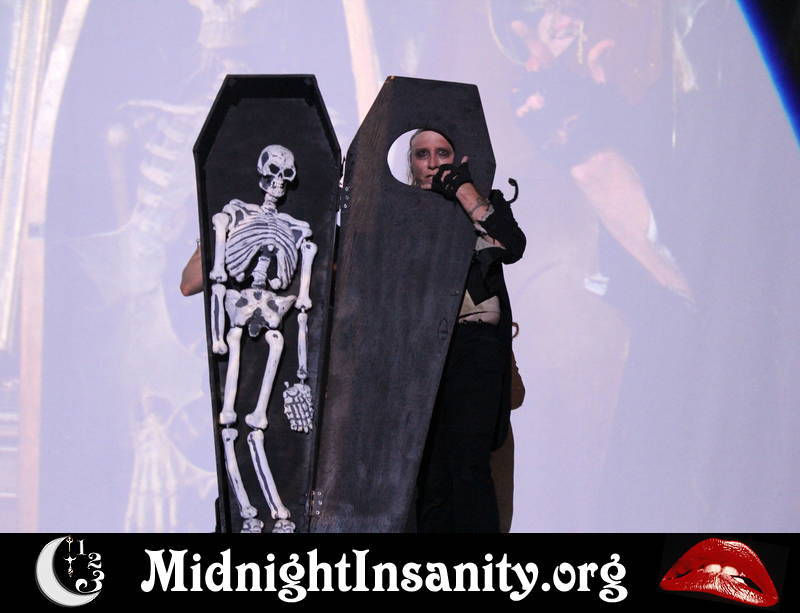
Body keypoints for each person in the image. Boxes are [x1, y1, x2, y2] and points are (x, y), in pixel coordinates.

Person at [407, 130, 526, 533]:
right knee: (430, 476)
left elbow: (512, 245)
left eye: (442, 152)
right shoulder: (398, 209)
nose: (432, 162)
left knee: (467, 461)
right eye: (422, 154)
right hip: (421, 351)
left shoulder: (482, 201)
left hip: (474, 344)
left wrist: (462, 188)